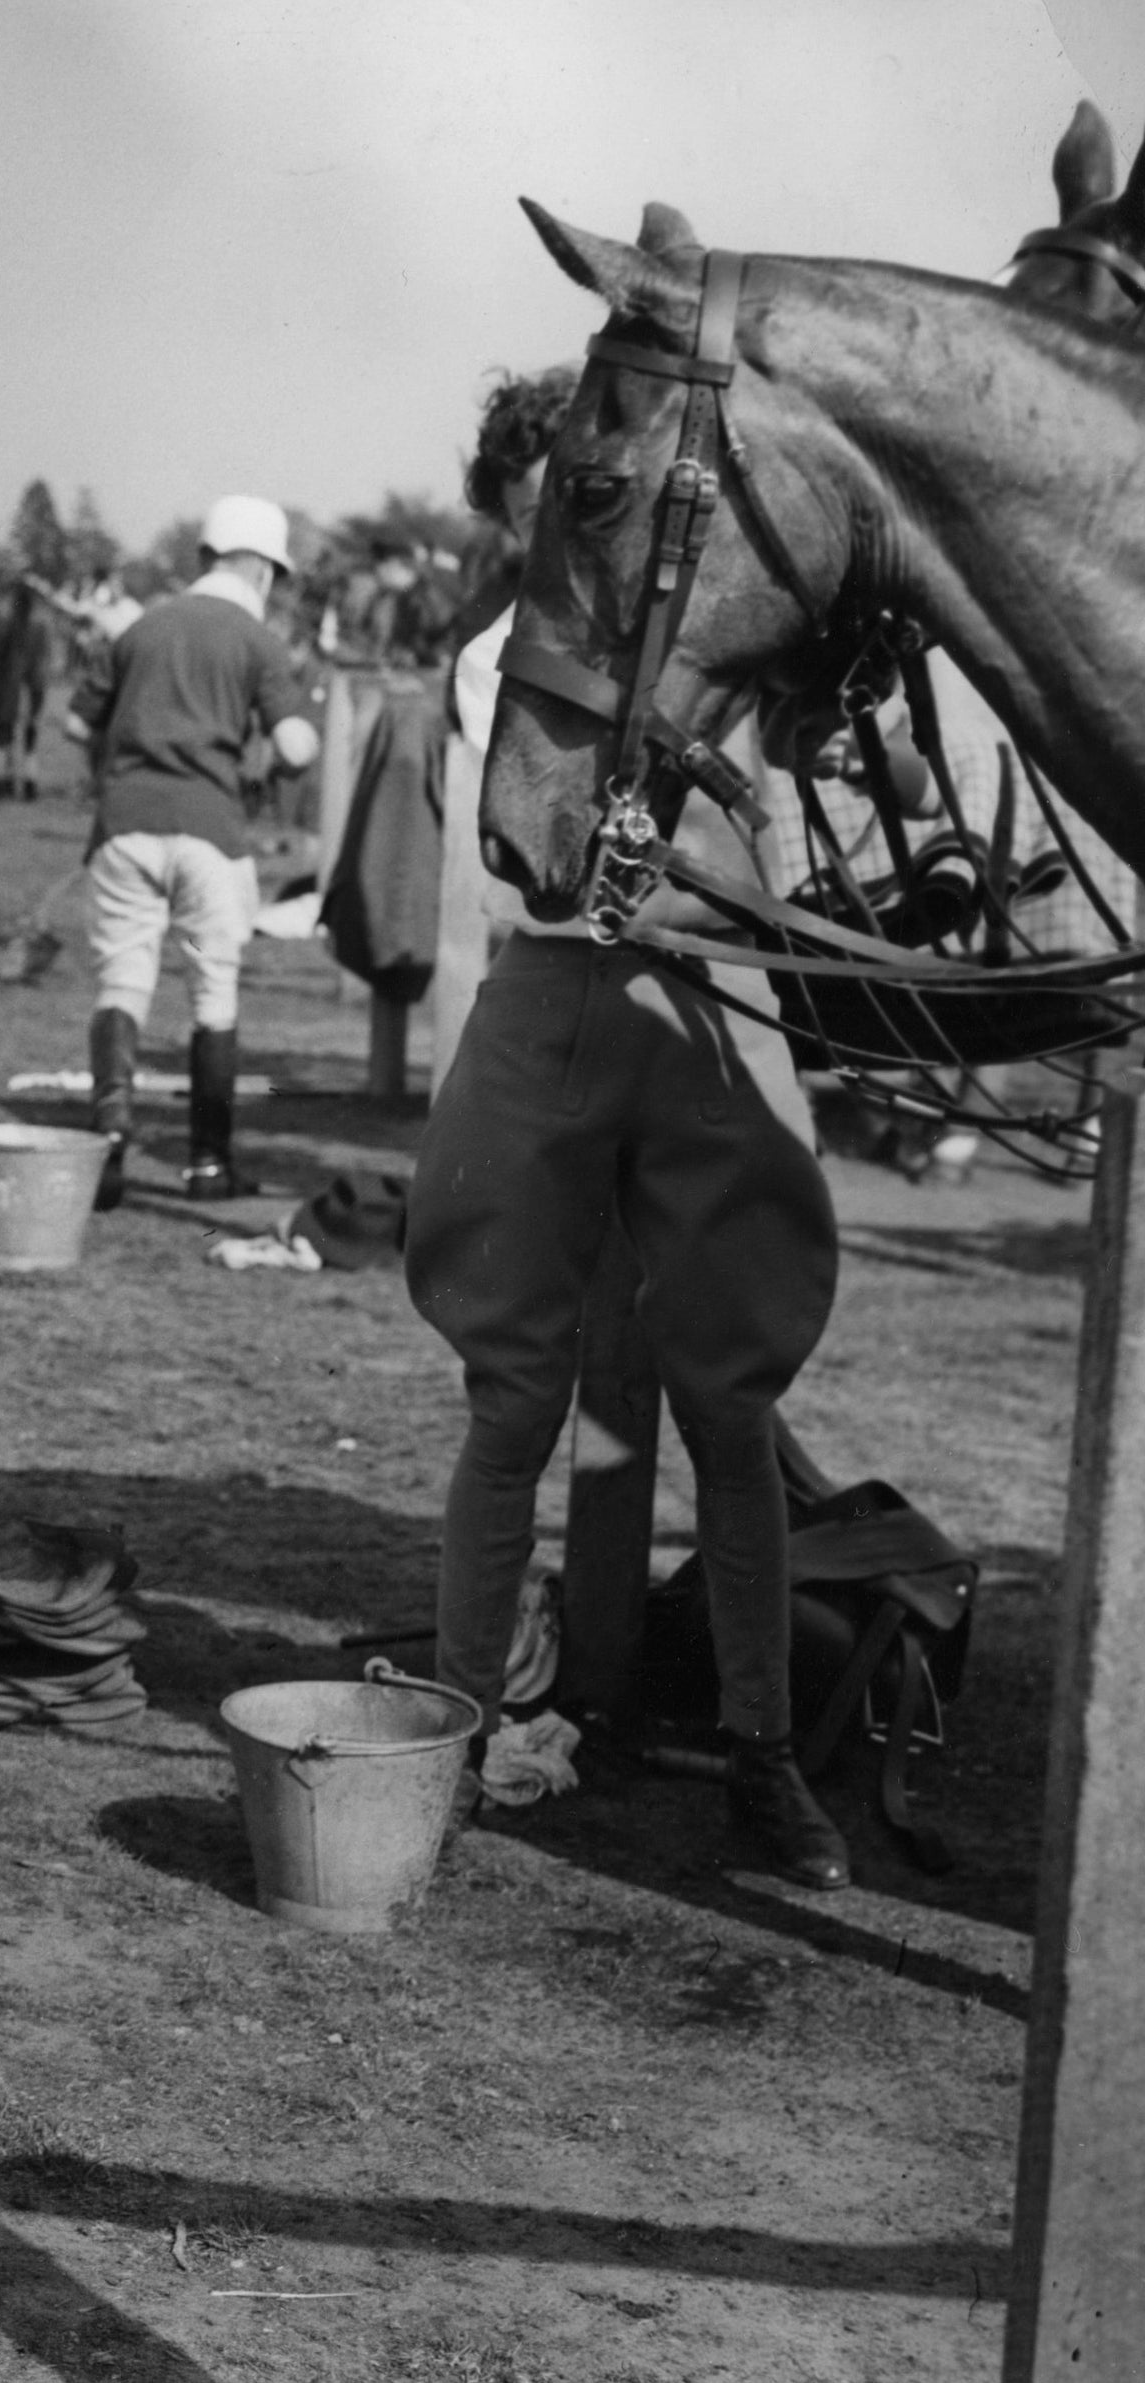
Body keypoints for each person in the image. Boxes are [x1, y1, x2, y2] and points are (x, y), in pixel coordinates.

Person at [410, 366, 849, 1890]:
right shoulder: (493, 662)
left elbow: (838, 771)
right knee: (514, 1399)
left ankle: (764, 1753)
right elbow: (536, 871)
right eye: (530, 516)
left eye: (576, 504)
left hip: (705, 1008)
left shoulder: (730, 636)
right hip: (557, 1005)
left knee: (728, 1408)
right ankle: (462, 1730)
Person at [64, 495, 319, 1203]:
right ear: (266, 572)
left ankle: (108, 1145)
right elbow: (295, 744)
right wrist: (288, 756)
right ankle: (208, 1164)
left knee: (121, 982)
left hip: (124, 827)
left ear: (204, 557)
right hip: (210, 831)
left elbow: (72, 722)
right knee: (213, 992)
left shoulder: (139, 627)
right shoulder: (257, 638)